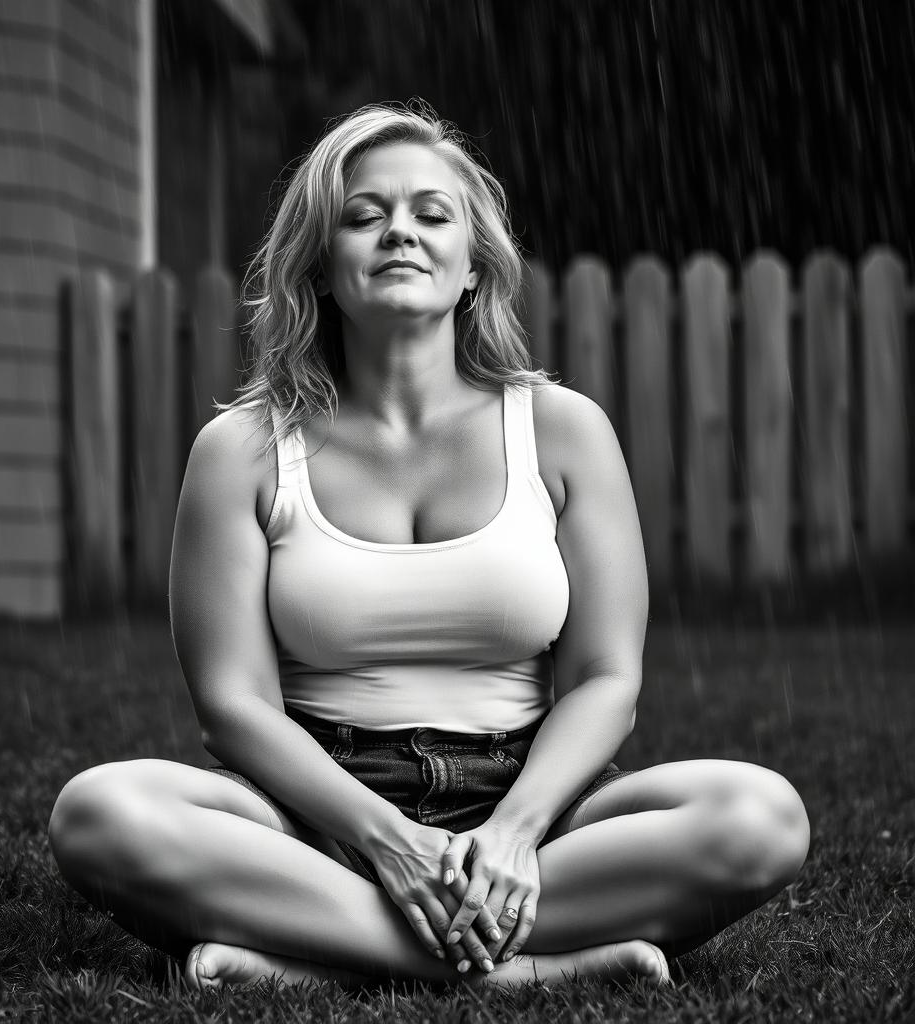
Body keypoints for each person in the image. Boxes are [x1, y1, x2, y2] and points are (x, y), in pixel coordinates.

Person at [48, 102, 810, 992]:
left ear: (475, 270)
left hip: (530, 798)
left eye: (431, 214)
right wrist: (388, 839)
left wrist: (515, 830)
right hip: (317, 813)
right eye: (364, 215)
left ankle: (316, 955)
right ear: (322, 269)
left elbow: (608, 680)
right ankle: (517, 969)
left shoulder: (563, 432)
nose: (398, 231)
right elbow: (234, 705)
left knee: (761, 817)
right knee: (100, 812)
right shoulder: (243, 450)